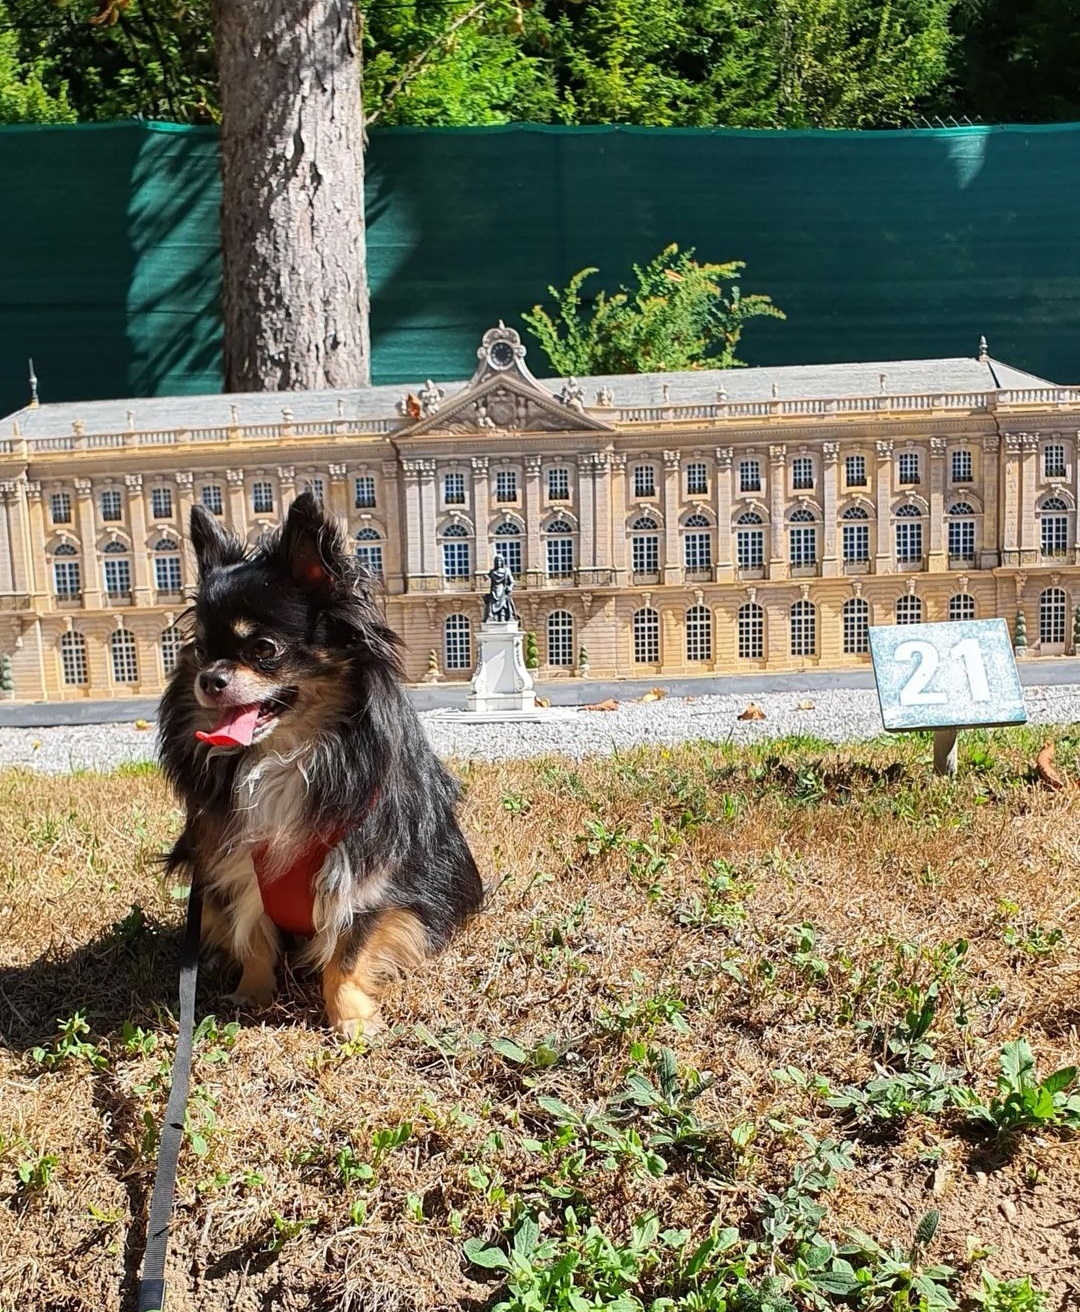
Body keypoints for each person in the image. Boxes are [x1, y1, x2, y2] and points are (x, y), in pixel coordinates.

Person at [483, 555, 517, 623]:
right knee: (491, 602)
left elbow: (512, 582)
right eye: (497, 561)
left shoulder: (506, 571)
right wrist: (485, 576)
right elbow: (486, 577)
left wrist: (510, 587)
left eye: (500, 561)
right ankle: (491, 617)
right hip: (494, 590)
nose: (498, 562)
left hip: (503, 590)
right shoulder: (492, 571)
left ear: (502, 562)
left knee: (503, 603)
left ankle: (503, 616)